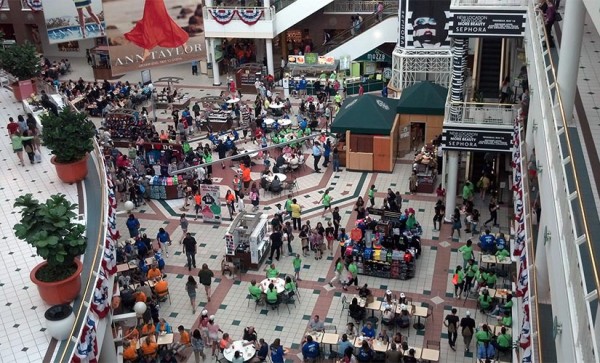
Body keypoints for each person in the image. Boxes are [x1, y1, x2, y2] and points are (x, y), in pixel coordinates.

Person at [124, 0, 190, 62]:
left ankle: (182, 39)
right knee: (148, 22)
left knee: (164, 21)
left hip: (156, 2)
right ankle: (146, 50)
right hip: (149, 2)